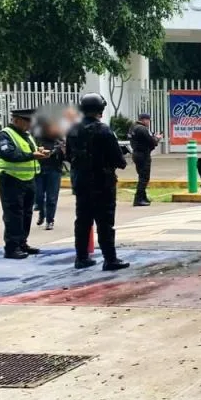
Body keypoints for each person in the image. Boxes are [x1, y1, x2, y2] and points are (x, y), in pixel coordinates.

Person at [67, 94, 129, 271]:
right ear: (101, 109)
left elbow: (69, 156)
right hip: (102, 183)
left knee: (82, 221)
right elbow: (119, 160)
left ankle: (81, 257)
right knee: (105, 222)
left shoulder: (72, 130)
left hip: (81, 182)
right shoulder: (104, 130)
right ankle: (110, 259)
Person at [0, 109, 48, 259]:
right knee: (13, 214)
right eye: (27, 122)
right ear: (16, 120)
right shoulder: (4, 135)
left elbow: (30, 151)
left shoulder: (26, 135)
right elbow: (9, 154)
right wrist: (32, 155)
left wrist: (39, 151)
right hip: (11, 180)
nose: (29, 126)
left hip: (28, 179)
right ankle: (12, 248)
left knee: (26, 213)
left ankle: (22, 243)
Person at [34, 119, 67, 230]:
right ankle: (42, 212)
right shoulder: (37, 139)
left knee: (51, 198)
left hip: (54, 170)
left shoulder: (59, 140)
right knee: (38, 196)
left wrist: (58, 151)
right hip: (39, 170)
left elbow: (66, 154)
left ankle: (50, 220)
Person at [128, 113, 161, 206]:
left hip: (136, 153)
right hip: (143, 155)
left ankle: (143, 197)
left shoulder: (133, 127)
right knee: (144, 178)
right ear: (144, 120)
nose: (149, 123)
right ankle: (138, 199)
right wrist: (157, 138)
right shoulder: (142, 129)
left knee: (141, 176)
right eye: (148, 120)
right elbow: (152, 142)